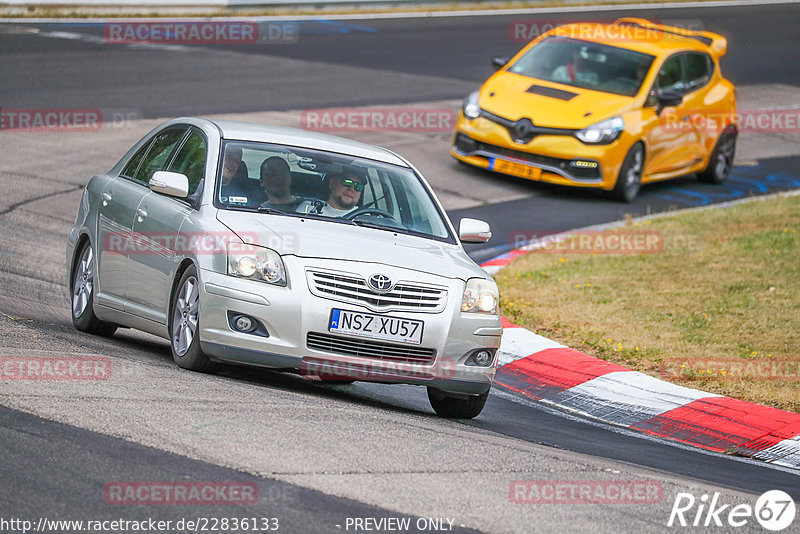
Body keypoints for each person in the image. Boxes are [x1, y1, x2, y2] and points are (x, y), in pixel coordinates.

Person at [297, 169, 366, 217]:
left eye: (358, 186)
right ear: (332, 183)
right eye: (347, 182)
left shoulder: (365, 218)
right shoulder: (308, 208)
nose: (351, 189)